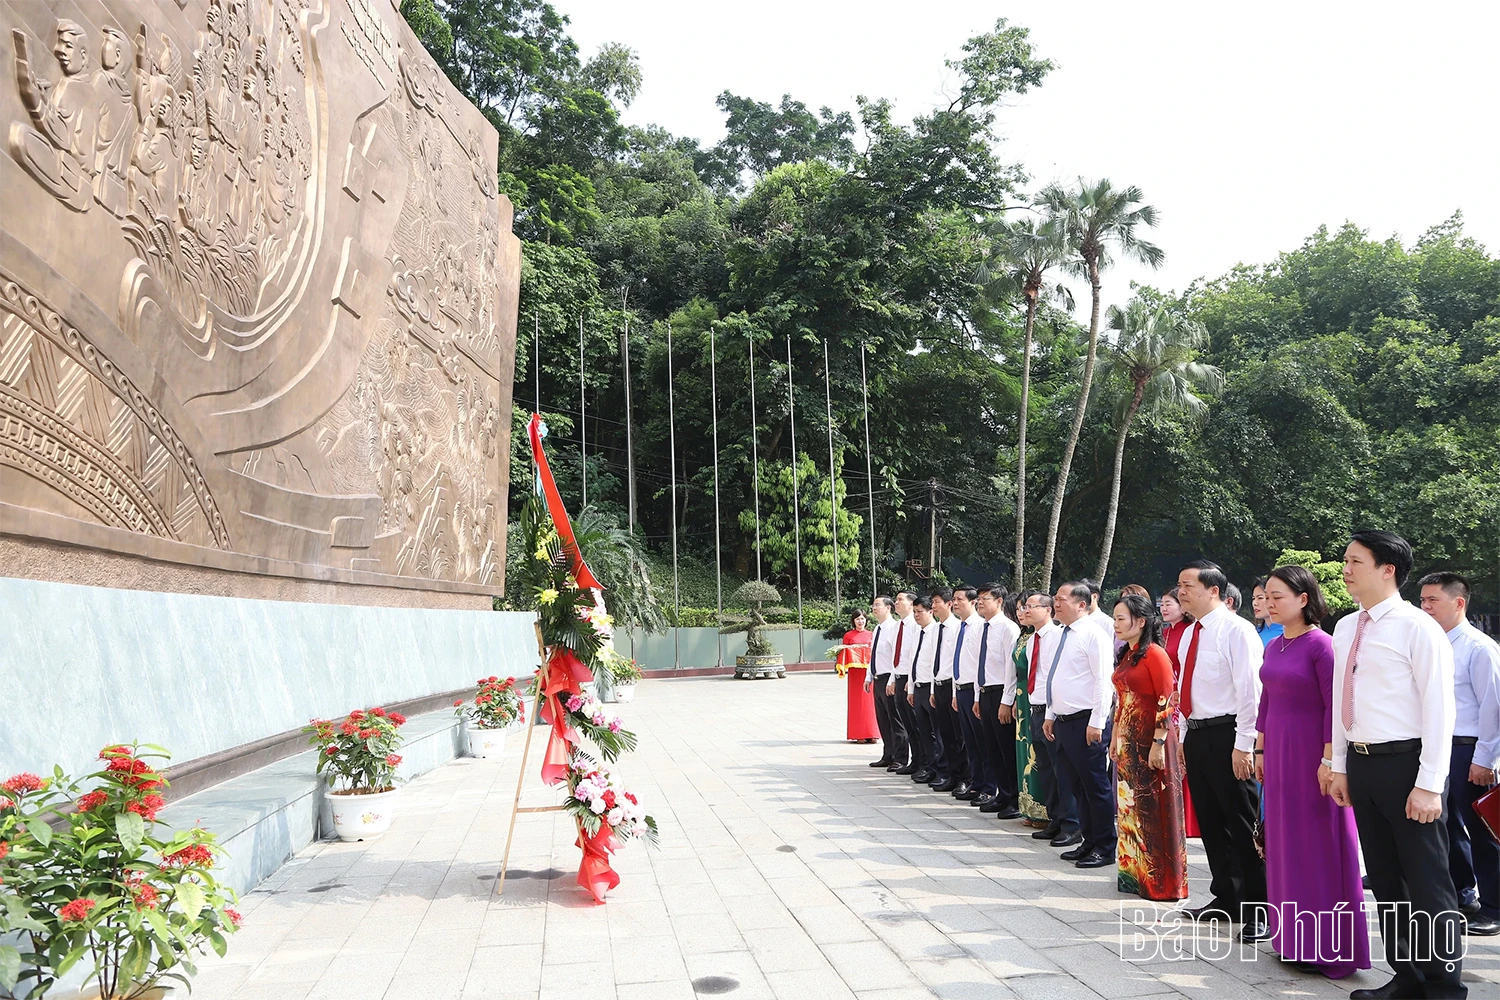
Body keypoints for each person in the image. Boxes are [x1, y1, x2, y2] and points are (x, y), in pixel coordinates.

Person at [1329, 530, 1465, 1000]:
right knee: (1387, 880)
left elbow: (1439, 709)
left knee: (1428, 882)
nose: (1345, 569)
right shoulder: (1346, 627)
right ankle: (1406, 976)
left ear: (1387, 569)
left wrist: (1429, 784)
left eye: (1354, 561)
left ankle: (1445, 987)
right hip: (1363, 767)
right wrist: (1340, 764)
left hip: (1409, 767)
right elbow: (1339, 702)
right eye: (1344, 560)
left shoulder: (1417, 627)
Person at [1255, 566, 1370, 978]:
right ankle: (1291, 938)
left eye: (1277, 596)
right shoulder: (1274, 646)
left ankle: (1330, 946)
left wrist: (1328, 761)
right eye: (1266, 596)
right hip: (1279, 754)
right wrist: (1261, 747)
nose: (1268, 603)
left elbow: (1334, 707)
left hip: (1312, 756)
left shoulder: (1322, 645)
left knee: (1318, 845)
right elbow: (1266, 701)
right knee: (1284, 844)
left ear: (1304, 599)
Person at [1175, 560, 1267, 939]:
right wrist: (1182, 739)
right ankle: (1226, 896)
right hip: (1197, 734)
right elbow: (1184, 689)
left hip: (1230, 734)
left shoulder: (1236, 631)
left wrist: (1245, 745)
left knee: (1241, 821)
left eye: (1187, 585)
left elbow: (1251, 693)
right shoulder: (1187, 633)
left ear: (1214, 591)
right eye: (1179, 585)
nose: (1180, 592)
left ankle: (1259, 908)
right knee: (1212, 822)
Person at [1419, 571, 1500, 936]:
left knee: (1482, 830)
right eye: (1422, 601)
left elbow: (1493, 708)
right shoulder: (1431, 643)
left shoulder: (1479, 648)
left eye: (1433, 600)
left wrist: (1486, 758)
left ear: (1459, 602)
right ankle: (1462, 894)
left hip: (1469, 749)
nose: (1426, 607)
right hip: (1439, 746)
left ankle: (1495, 905)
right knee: (1447, 825)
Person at [1111, 592, 1188, 900]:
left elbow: (1169, 699)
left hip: (1151, 739)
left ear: (1140, 621)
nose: (1115, 624)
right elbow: (1121, 701)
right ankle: (1135, 873)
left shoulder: (1156, 654)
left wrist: (1158, 742)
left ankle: (1162, 880)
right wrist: (1115, 737)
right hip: (1128, 741)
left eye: (1121, 619)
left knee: (1153, 808)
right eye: (1115, 618)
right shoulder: (1128, 654)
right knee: (1130, 808)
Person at [1041, 582, 1117, 868]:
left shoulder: (1093, 634)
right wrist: (1050, 714)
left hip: (1086, 722)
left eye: (1061, 599)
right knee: (1076, 785)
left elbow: (1102, 681)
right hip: (1063, 722)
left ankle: (1105, 846)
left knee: (1094, 786)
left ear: (1082, 604)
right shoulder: (1064, 634)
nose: (1056, 604)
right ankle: (1089, 841)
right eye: (1055, 599)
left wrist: (1097, 721)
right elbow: (1056, 676)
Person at [1022, 591, 1080, 845]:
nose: (1026, 610)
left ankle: (1071, 824)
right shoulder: (1032, 639)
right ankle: (1054, 819)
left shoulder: (1058, 637)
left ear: (1047, 610)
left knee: (1062, 770)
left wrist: (1051, 712)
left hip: (1052, 710)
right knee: (1044, 767)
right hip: (1035, 709)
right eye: (1025, 606)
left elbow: (1056, 677)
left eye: (1032, 606)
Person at [975, 583, 1022, 817]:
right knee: (992, 747)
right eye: (979, 598)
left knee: (1005, 748)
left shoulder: (1008, 628)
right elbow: (980, 664)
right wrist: (977, 695)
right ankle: (1002, 794)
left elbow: (1010, 668)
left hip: (1001, 693)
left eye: (985, 598)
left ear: (1000, 602)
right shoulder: (984, 627)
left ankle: (1014, 798)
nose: (980, 602)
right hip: (985, 692)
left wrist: (1007, 700)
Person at [1160, 586, 1201, 840]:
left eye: (1169, 603)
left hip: (1181, 700)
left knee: (1182, 756)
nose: (1164, 608)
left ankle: (1191, 820)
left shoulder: (1189, 631)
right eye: (1161, 603)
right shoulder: (1165, 633)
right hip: (1168, 699)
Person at [1010, 592, 1049, 826]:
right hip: (1023, 696)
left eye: (1027, 608)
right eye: (1020, 609)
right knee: (1024, 751)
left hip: (1039, 697)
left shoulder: (1048, 636)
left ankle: (1045, 809)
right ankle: (1028, 806)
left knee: (1038, 754)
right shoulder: (1026, 638)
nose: (1022, 612)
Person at [951, 586, 993, 803]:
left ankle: (988, 787)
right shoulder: (962, 626)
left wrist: (977, 696)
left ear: (973, 602)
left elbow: (980, 664)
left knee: (982, 742)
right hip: (962, 689)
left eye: (959, 599)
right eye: (954, 599)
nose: (955, 603)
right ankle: (976, 784)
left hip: (975, 690)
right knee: (971, 742)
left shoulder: (979, 626)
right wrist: (955, 692)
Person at [929, 588, 968, 792]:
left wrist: (954, 693)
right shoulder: (937, 628)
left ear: (948, 604)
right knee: (946, 734)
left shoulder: (956, 627)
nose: (933, 606)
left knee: (959, 736)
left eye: (936, 602)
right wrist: (934, 689)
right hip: (939, 685)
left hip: (953, 686)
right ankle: (951, 775)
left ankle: (964, 777)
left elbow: (957, 662)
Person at [865, 597, 907, 769]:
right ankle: (888, 754)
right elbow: (874, 655)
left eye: (878, 605)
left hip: (889, 678)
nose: (874, 608)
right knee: (883, 719)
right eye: (873, 605)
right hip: (878, 678)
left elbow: (895, 656)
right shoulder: (877, 629)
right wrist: (869, 676)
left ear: (888, 608)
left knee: (895, 720)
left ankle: (901, 757)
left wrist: (892, 680)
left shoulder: (894, 627)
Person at [907, 596, 943, 784]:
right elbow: (914, 662)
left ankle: (939, 768)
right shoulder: (917, 634)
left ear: (931, 611)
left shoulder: (937, 632)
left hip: (931, 687)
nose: (916, 615)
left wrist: (932, 692)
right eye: (914, 612)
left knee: (937, 732)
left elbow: (934, 664)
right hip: (918, 687)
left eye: (919, 611)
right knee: (923, 730)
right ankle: (928, 766)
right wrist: (911, 688)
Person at [887, 591, 923, 775]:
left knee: (916, 723)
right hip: (899, 678)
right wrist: (892, 679)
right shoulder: (896, 626)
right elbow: (896, 655)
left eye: (900, 599)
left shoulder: (916, 626)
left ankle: (922, 761)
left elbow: (914, 656)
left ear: (911, 604)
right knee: (907, 723)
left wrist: (911, 680)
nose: (896, 602)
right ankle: (914, 761)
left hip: (911, 681)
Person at [840, 611, 878, 743]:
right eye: (857, 619)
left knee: (871, 703)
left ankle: (873, 733)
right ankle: (858, 733)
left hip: (869, 672)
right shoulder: (848, 636)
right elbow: (843, 652)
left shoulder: (871, 635)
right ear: (853, 621)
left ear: (866, 620)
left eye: (862, 619)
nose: (860, 621)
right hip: (855, 673)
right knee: (857, 702)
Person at [1252, 577, 1285, 647]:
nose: (1255, 603)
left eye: (1260, 598)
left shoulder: (1289, 633)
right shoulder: (1252, 632)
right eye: (1253, 598)